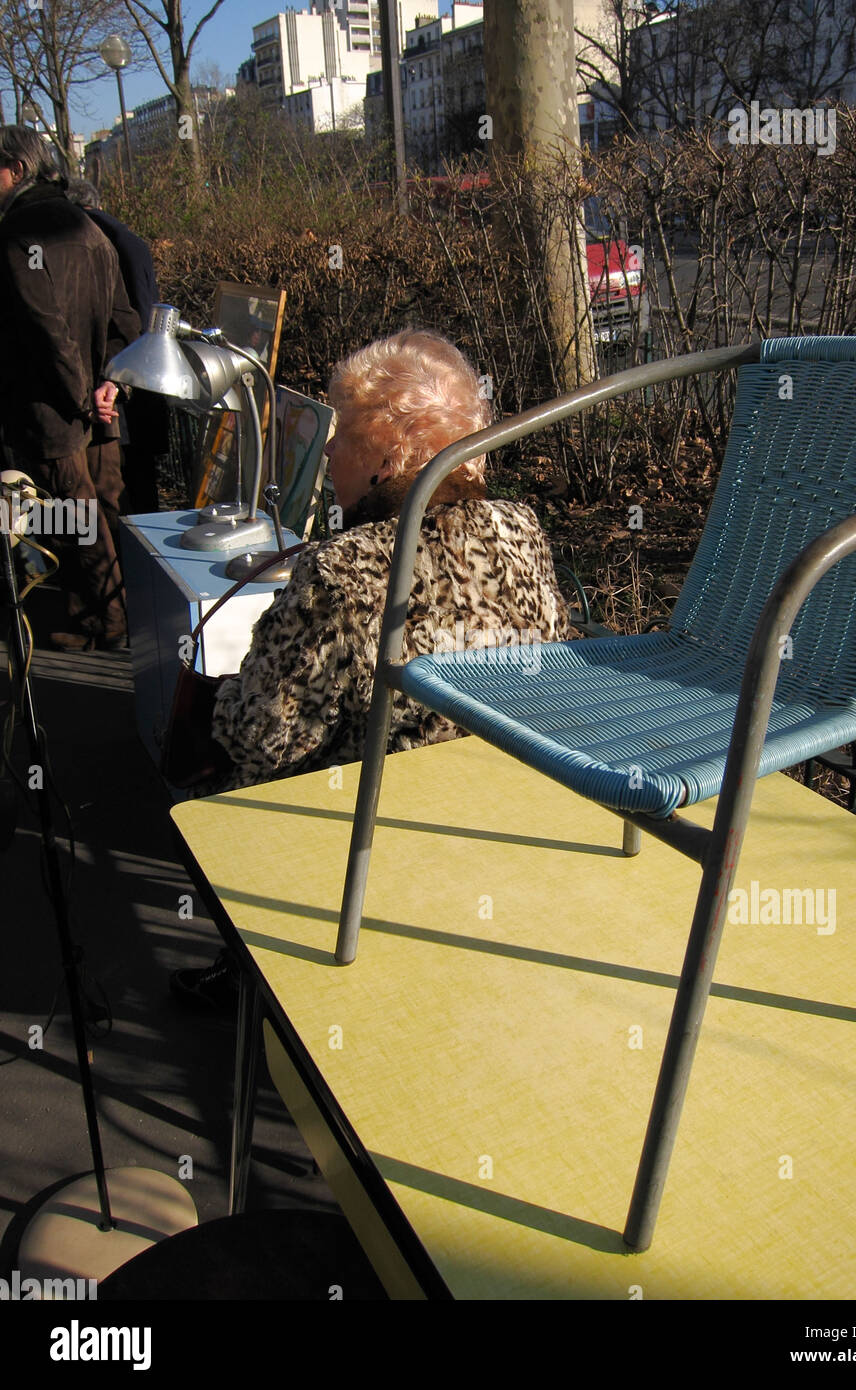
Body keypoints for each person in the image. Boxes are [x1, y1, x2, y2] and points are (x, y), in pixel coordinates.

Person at [171, 329, 571, 1008]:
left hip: (377, 824)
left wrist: (215, 700)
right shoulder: (520, 527)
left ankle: (255, 978)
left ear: (386, 455)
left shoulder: (345, 566)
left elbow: (265, 738)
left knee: (214, 779)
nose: (325, 450)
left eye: (341, 433)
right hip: (509, 796)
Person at [0, 128, 141, 650]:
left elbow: (44, 328)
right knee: (99, 509)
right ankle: (101, 616)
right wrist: (112, 387)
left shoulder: (17, 233)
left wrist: (85, 396)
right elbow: (125, 321)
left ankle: (107, 624)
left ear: (16, 170)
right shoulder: (88, 228)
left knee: (77, 517)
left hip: (57, 408)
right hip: (96, 405)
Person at [67, 178, 167, 515]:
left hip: (121, 391)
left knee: (127, 493)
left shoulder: (94, 241)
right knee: (137, 489)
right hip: (132, 387)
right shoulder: (123, 239)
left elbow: (135, 320)